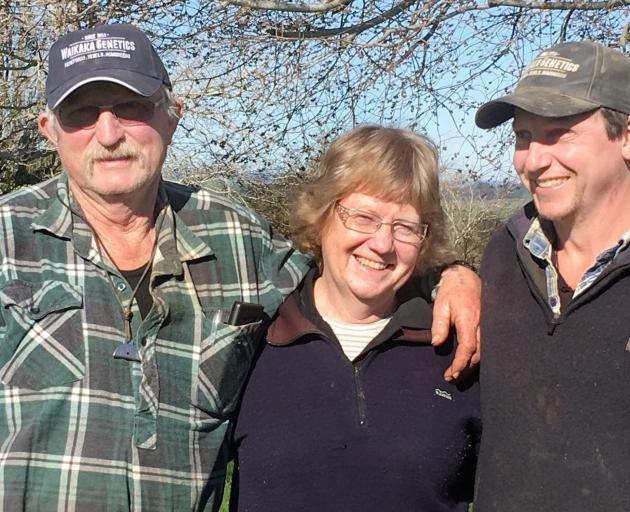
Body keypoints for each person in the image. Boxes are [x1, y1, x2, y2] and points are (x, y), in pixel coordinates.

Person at [0, 24, 480, 511]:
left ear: (172, 116)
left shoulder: (234, 237)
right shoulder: (6, 238)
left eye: (131, 108)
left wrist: (455, 276)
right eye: (82, 114)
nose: (109, 133)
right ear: (49, 130)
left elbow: (352, 269)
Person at [231, 126, 481, 512]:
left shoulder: (459, 346)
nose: (382, 244)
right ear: (323, 215)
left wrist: (461, 274)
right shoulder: (255, 339)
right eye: (363, 217)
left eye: (405, 227)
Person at [474, 41, 630, 511]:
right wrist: (451, 278)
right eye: (523, 136)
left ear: (625, 136)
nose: (533, 160)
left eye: (559, 133)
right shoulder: (503, 254)